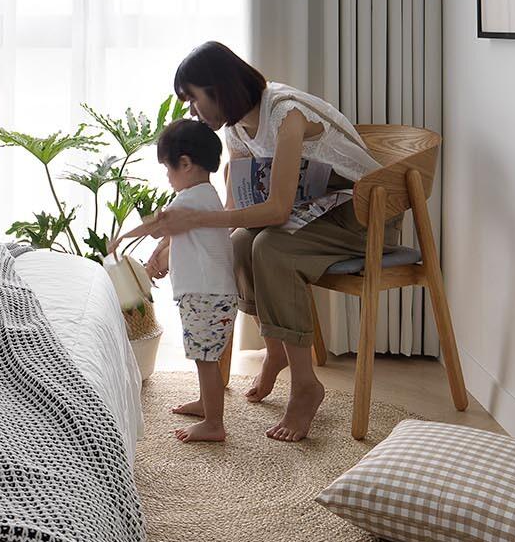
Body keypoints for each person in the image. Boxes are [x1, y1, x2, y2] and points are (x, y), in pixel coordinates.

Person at [124, 41, 379, 442]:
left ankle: (305, 384)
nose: (192, 110)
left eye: (193, 98)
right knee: (243, 242)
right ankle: (274, 348)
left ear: (218, 87)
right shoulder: (237, 130)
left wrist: (194, 218)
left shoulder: (285, 114)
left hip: (362, 211)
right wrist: (173, 243)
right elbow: (235, 210)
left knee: (271, 248)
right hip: (314, 207)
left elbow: (275, 211)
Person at [141, 118, 239, 444]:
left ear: (184, 163)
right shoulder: (205, 197)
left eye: (167, 169)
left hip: (205, 297)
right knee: (204, 356)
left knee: (206, 360)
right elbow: (177, 238)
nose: (167, 177)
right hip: (209, 295)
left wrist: (148, 250)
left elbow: (161, 228)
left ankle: (215, 423)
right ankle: (205, 404)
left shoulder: (189, 200)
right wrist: (161, 255)